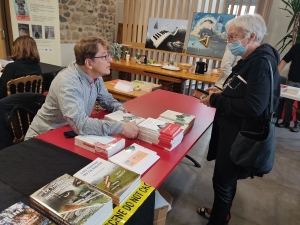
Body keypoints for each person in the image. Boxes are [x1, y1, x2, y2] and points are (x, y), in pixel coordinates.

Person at [193, 14, 280, 225]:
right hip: (231, 130)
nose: (230, 42)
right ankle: (222, 212)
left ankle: (218, 220)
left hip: (240, 135)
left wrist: (215, 101)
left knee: (223, 180)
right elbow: (243, 91)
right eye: (229, 38)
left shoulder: (261, 63)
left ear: (250, 37)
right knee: (226, 180)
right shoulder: (249, 60)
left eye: (233, 37)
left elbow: (254, 106)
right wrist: (223, 92)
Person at [25, 36, 139, 140]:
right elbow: (81, 124)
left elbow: (107, 100)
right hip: (44, 136)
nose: (110, 60)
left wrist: (120, 109)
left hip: (68, 131)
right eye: (105, 56)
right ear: (89, 63)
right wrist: (121, 128)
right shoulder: (68, 83)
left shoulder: (95, 76)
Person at [276, 43, 300, 132]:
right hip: (292, 80)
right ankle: (286, 121)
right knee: (288, 102)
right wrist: (275, 74)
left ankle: (298, 123)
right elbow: (285, 60)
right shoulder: (297, 47)